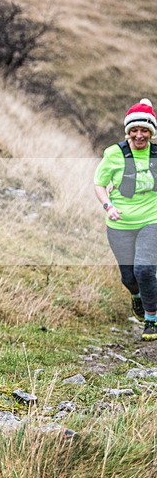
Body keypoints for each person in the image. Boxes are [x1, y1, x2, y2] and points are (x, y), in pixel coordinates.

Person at [94, 98, 157, 341]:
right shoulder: (113, 154)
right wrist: (108, 206)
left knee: (144, 269)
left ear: (151, 132)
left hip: (151, 220)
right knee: (129, 277)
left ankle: (151, 319)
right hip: (119, 224)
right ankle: (138, 297)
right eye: (134, 130)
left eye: (144, 130)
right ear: (128, 131)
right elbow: (99, 184)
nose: (139, 135)